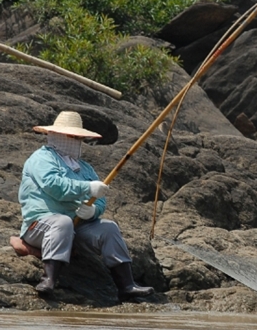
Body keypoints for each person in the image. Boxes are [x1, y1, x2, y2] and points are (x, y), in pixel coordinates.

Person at [11, 111, 154, 301]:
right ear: (55, 135)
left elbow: (100, 197)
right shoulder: (41, 159)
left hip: (77, 228)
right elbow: (54, 186)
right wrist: (86, 188)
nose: (76, 141)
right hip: (40, 225)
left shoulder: (85, 168)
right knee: (62, 222)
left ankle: (127, 286)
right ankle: (49, 280)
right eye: (71, 136)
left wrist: (94, 211)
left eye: (78, 137)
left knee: (109, 228)